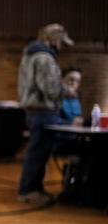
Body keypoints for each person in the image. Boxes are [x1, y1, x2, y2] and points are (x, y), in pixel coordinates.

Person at [17, 23, 74, 204]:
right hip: (43, 111)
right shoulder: (44, 58)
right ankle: (29, 190)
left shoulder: (31, 54)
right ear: (53, 39)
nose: (61, 47)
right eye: (60, 42)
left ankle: (32, 189)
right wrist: (66, 90)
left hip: (35, 111)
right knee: (38, 153)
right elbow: (50, 89)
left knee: (37, 151)